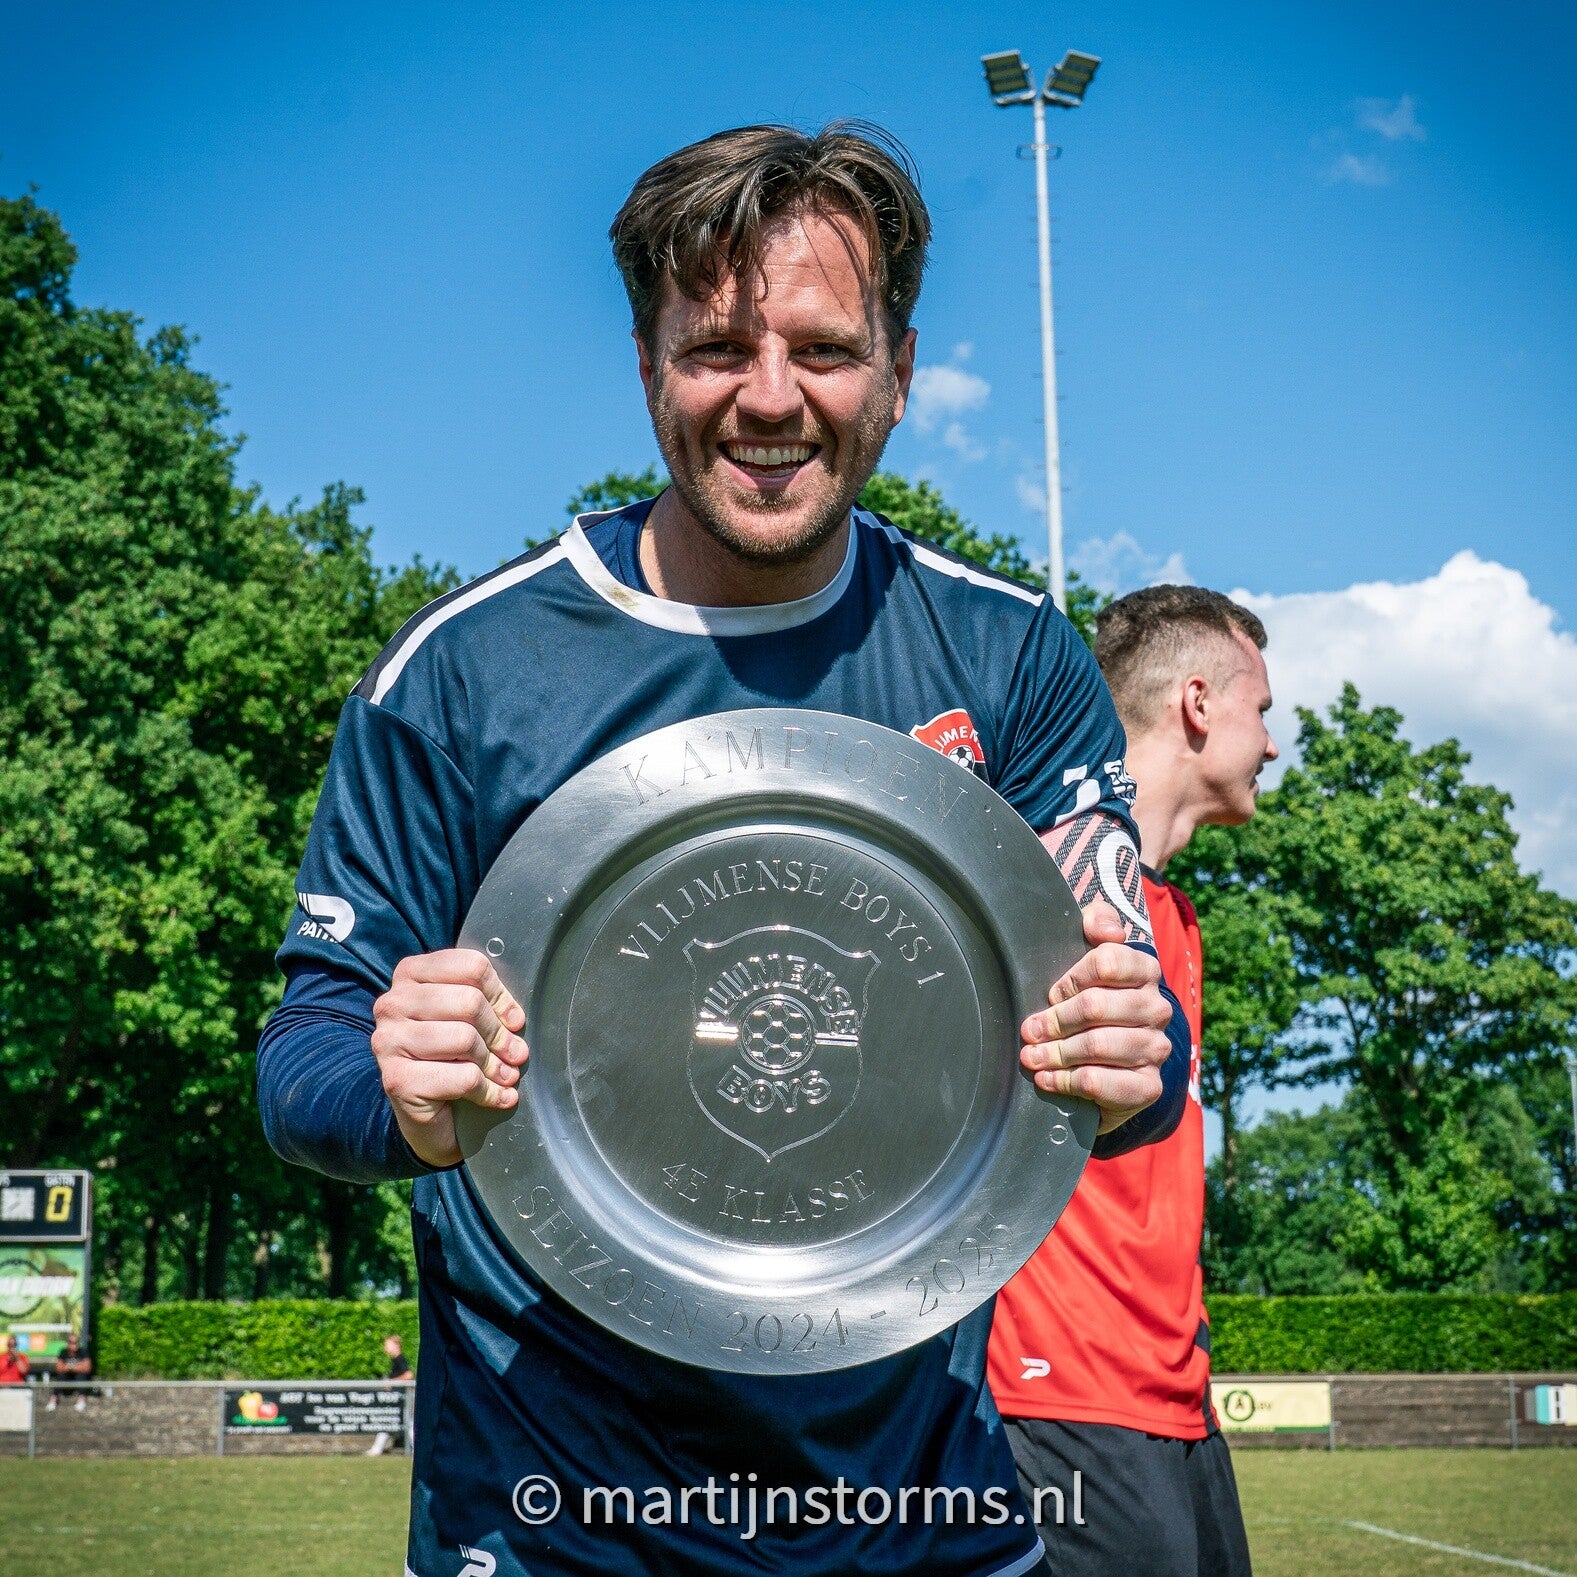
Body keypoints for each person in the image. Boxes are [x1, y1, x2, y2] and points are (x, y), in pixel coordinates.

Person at [258, 123, 1190, 1577]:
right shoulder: (461, 673)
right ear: (646, 365)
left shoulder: (1010, 658)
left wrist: (1137, 1054)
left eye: (822, 349)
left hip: (920, 1519)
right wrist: (402, 1089)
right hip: (553, 1522)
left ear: (898, 370)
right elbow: (304, 1054)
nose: (768, 398)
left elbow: (1127, 1048)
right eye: (712, 349)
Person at [988, 585, 1276, 1576]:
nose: (1270, 743)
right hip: (1059, 1394)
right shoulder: (1032, 902)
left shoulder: (1176, 917)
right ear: (1196, 702)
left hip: (1178, 1401)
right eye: (1260, 709)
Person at [47, 1330, 93, 1411]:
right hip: (66, 1376)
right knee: (61, 1376)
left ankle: (81, 1400)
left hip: (79, 1377)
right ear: (68, 1343)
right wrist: (77, 1366)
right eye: (71, 1342)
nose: (74, 1345)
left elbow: (87, 1368)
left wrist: (69, 1367)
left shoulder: (83, 1352)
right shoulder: (63, 1352)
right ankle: (53, 1400)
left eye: (76, 1342)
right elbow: (58, 1368)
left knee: (81, 1375)